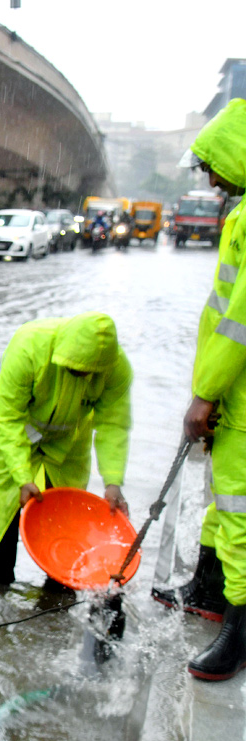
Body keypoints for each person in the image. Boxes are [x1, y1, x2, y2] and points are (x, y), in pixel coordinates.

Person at [169, 98, 246, 681]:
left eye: (214, 164)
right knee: (225, 498)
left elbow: (237, 324)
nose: (210, 177)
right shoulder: (240, 215)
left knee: (241, 509)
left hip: (238, 393)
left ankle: (238, 637)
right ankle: (210, 590)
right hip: (232, 395)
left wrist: (207, 393)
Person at [0, 313, 132, 588]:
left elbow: (112, 426)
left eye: (90, 374)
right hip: (13, 428)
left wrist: (113, 481)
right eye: (75, 371)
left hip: (69, 436)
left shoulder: (117, 368)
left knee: (68, 510)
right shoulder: (28, 348)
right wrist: (23, 477)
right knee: (0, 505)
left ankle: (58, 587)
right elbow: (7, 418)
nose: (83, 377)